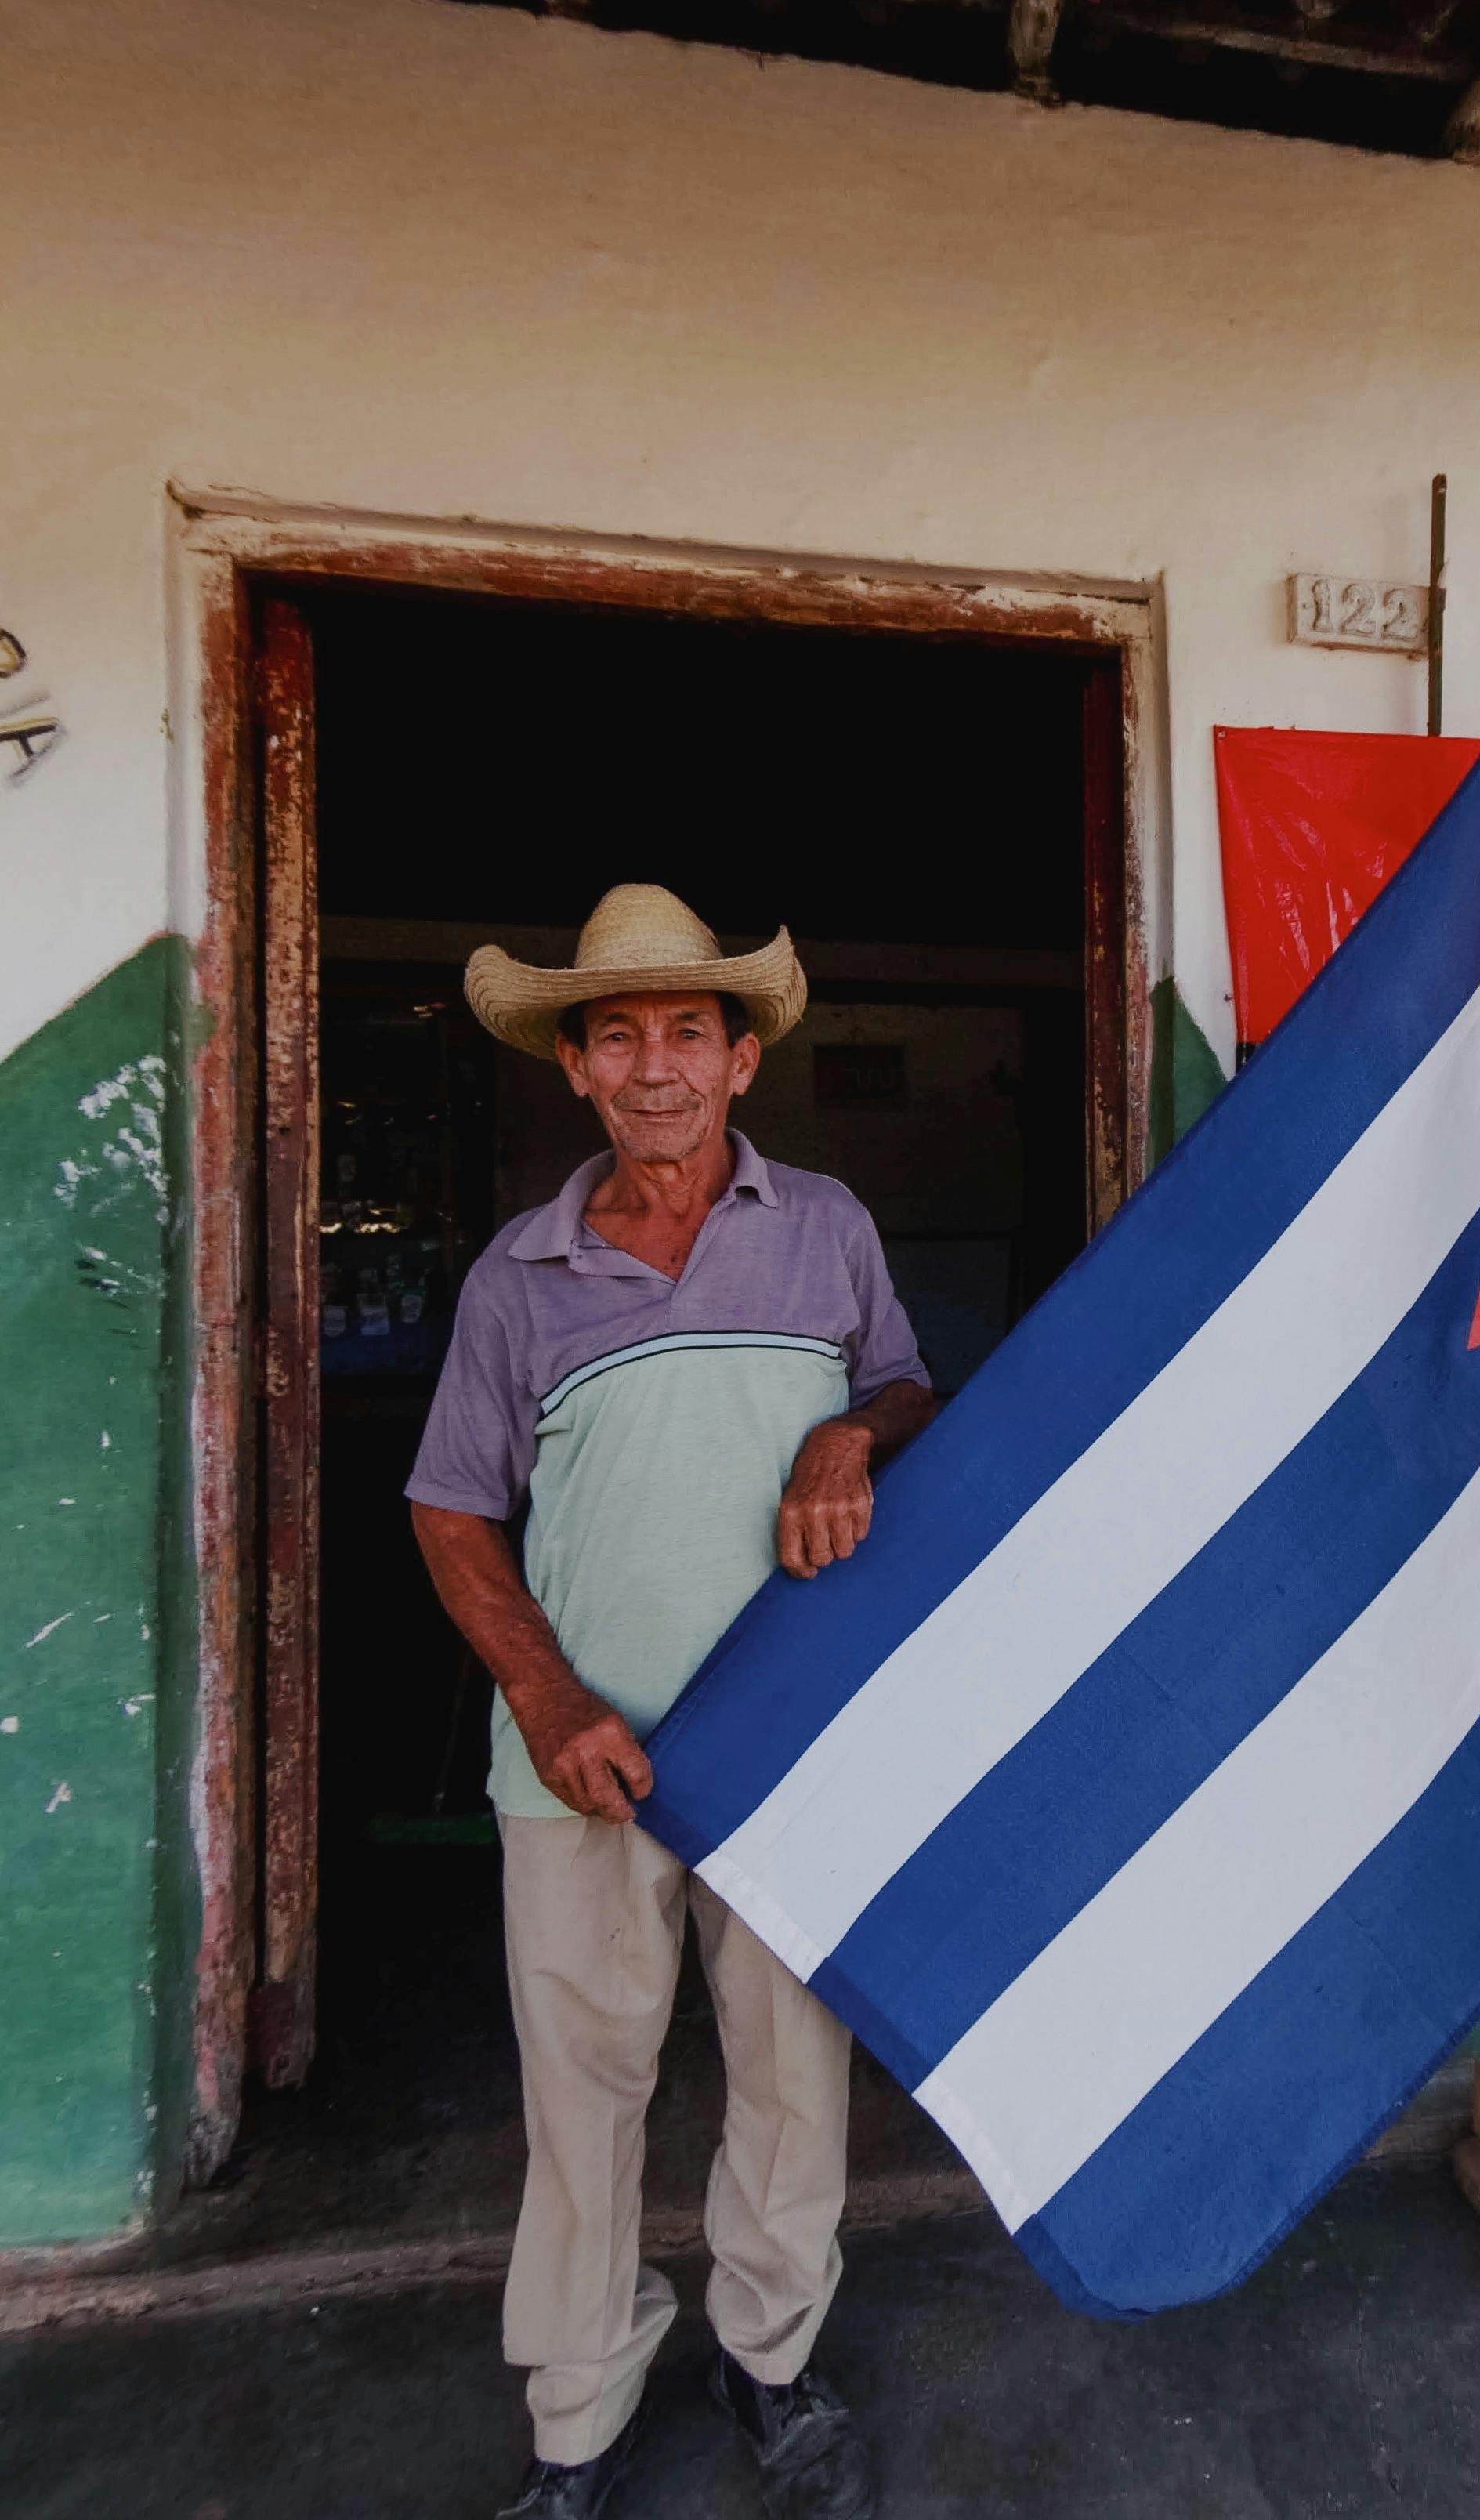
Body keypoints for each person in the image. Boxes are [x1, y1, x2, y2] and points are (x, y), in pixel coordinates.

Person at [407, 884, 936, 2520]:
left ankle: (768, 2359)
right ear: (572, 1068)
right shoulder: (521, 1275)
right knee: (584, 2091)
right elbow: (448, 1509)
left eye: (685, 1034)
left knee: (791, 2076)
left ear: (741, 1060)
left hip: (784, 1749)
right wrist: (551, 1699)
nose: (654, 1067)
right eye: (617, 1034)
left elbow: (905, 1385)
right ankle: (577, 2418)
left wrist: (852, 1435)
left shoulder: (828, 1226)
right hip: (583, 1760)